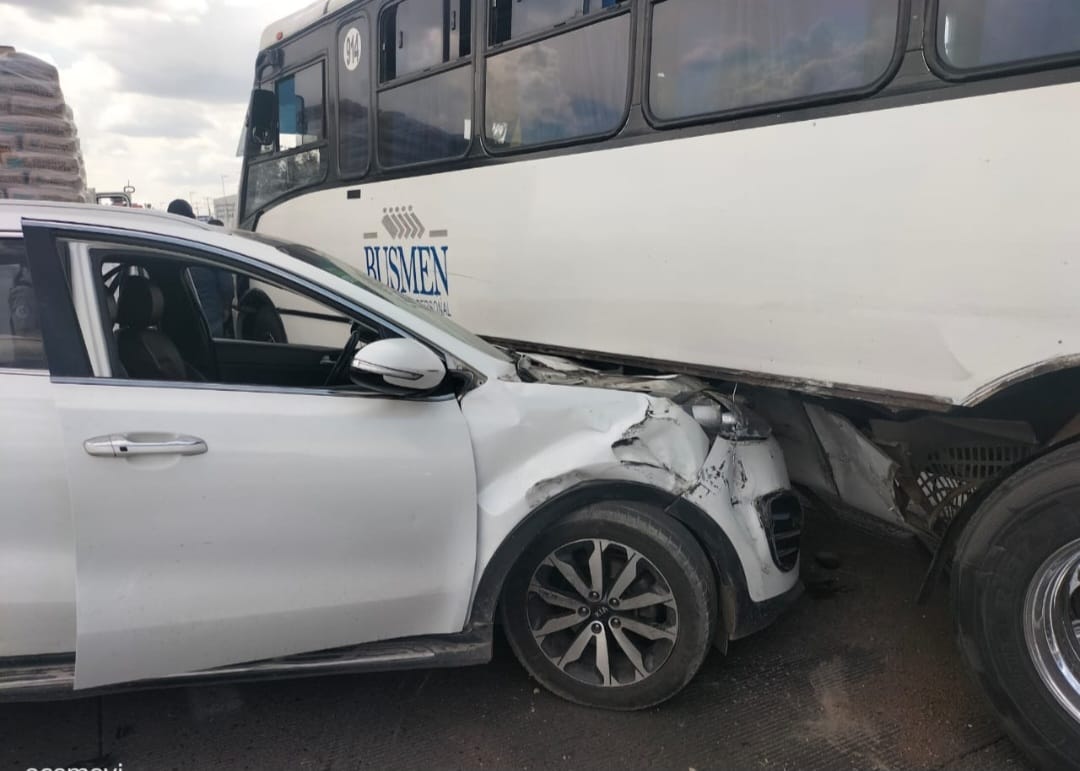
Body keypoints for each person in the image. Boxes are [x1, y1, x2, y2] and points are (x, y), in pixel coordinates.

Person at [168, 199, 234, 337]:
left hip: (175, 325)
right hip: (210, 322)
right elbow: (226, 284)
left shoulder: (164, 247)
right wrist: (227, 307)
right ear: (192, 219)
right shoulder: (205, 246)